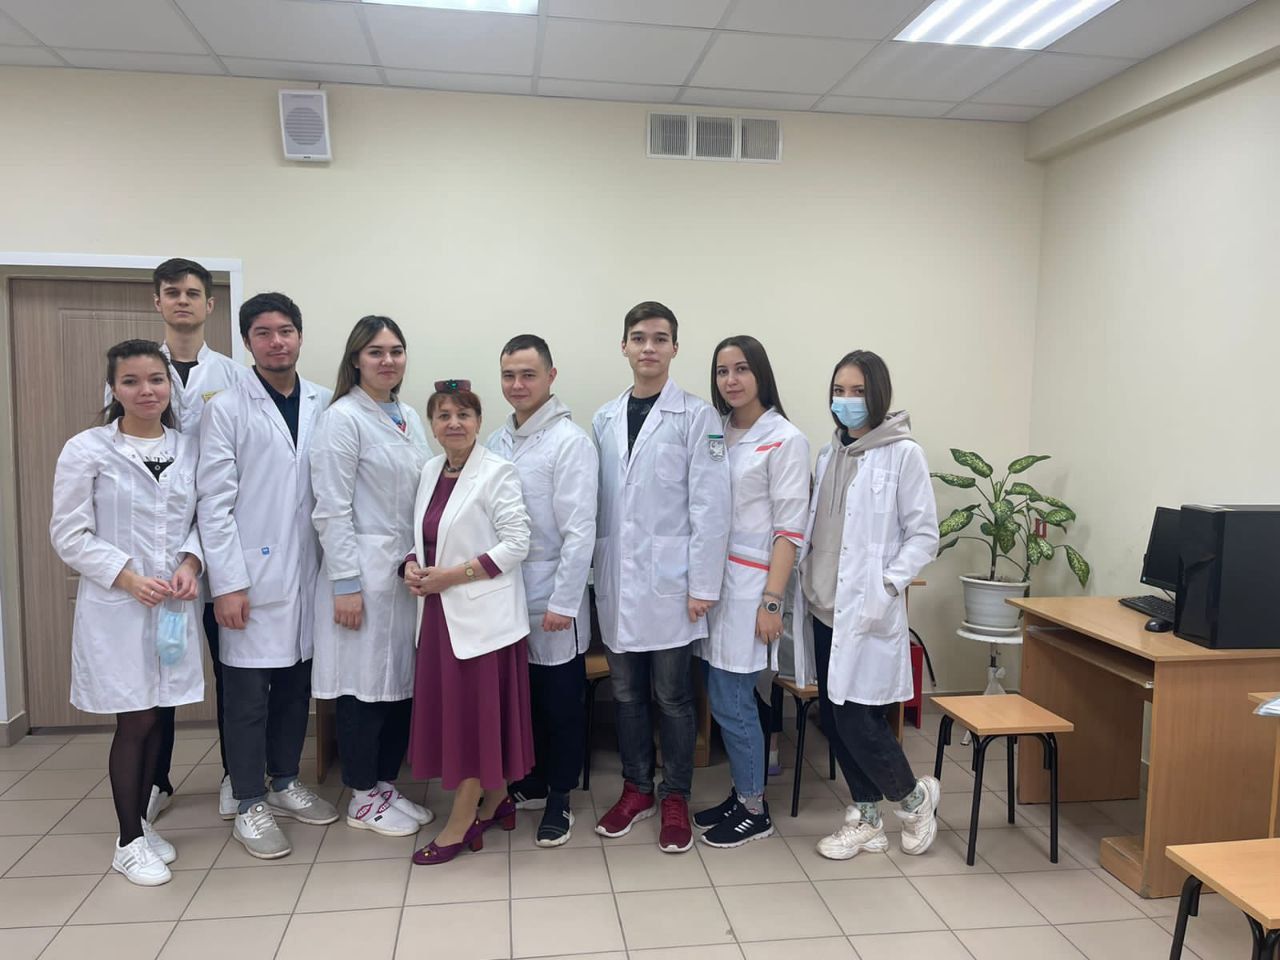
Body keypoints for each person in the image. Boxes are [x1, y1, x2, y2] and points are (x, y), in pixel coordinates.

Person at [52, 339, 204, 885]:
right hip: (119, 605)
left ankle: (140, 821)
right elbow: (69, 533)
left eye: (156, 380)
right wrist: (128, 577)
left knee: (160, 711)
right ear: (113, 389)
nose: (146, 391)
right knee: (135, 717)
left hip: (172, 605)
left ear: (170, 387)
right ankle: (128, 840)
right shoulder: (88, 449)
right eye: (132, 381)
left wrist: (192, 562)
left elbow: (202, 519)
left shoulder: (189, 449)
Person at [103, 259, 249, 824]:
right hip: (159, 557)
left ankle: (236, 775)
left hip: (219, 542)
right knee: (156, 678)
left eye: (192, 293)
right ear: (157, 302)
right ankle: (156, 779)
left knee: (232, 671)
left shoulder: (232, 374)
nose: (182, 301)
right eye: (172, 293)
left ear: (210, 304)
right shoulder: (139, 370)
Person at [197, 292, 338, 860]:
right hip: (249, 577)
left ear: (300, 336)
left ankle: (284, 780)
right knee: (247, 696)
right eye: (263, 333)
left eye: (285, 331)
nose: (276, 342)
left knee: (296, 688)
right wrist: (227, 584)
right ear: (247, 342)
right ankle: (249, 799)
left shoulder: (325, 402)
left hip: (308, 572)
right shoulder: (227, 408)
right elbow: (213, 504)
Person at [592, 301, 731, 854]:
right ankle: (636, 789)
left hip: (674, 586)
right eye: (638, 337)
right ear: (623, 346)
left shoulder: (698, 417)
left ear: (675, 347)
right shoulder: (603, 419)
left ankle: (675, 795)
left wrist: (703, 586)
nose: (648, 347)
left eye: (659, 338)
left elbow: (711, 507)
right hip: (618, 582)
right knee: (626, 694)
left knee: (673, 697)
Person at [795, 349, 941, 860]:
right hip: (823, 606)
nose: (847, 400)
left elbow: (924, 535)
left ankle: (914, 800)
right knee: (834, 719)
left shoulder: (903, 454)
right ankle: (868, 817)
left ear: (878, 395)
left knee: (859, 720)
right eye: (839, 391)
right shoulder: (828, 454)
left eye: (857, 391)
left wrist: (887, 585)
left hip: (864, 609)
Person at [311, 316, 433, 837]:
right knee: (361, 688)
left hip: (404, 573)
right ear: (356, 359)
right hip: (360, 571)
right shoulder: (342, 419)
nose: (387, 360)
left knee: (397, 686)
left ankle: (383, 784)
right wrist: (345, 583)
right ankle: (361, 795)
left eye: (396, 351)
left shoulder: (408, 416)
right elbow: (331, 508)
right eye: (376, 351)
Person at [404, 380, 534, 865]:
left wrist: (452, 577)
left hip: (483, 621)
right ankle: (497, 800)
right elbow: (425, 536)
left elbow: (517, 543)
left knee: (474, 721)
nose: (454, 423)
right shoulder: (430, 470)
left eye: (464, 414)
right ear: (432, 426)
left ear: (479, 422)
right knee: (459, 716)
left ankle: (462, 820)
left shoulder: (497, 472)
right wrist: (410, 565)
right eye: (443, 416)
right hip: (438, 616)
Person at [694, 336, 809, 848]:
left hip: (752, 587)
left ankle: (754, 809)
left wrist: (771, 601)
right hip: (714, 585)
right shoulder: (716, 431)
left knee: (733, 699)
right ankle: (742, 792)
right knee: (722, 695)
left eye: (741, 369)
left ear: (760, 373)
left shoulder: (785, 439)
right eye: (722, 371)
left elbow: (790, 530)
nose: (731, 380)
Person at [485, 335, 597, 847]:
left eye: (528, 374)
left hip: (553, 595)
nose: (517, 385)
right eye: (509, 375)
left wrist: (563, 602)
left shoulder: (570, 442)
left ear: (551, 377)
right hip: (506, 595)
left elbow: (580, 531)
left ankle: (560, 797)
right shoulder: (495, 441)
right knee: (523, 698)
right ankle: (530, 782)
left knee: (560, 704)